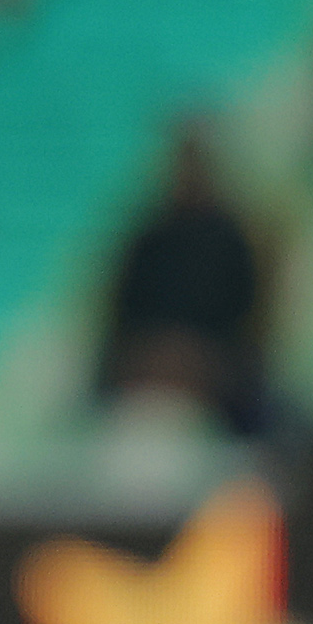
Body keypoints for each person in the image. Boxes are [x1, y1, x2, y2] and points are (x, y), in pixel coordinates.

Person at [97, 124, 265, 434]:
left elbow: (247, 316)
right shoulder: (148, 236)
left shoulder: (232, 240)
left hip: (210, 360)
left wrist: (195, 356)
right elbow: (123, 311)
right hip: (147, 356)